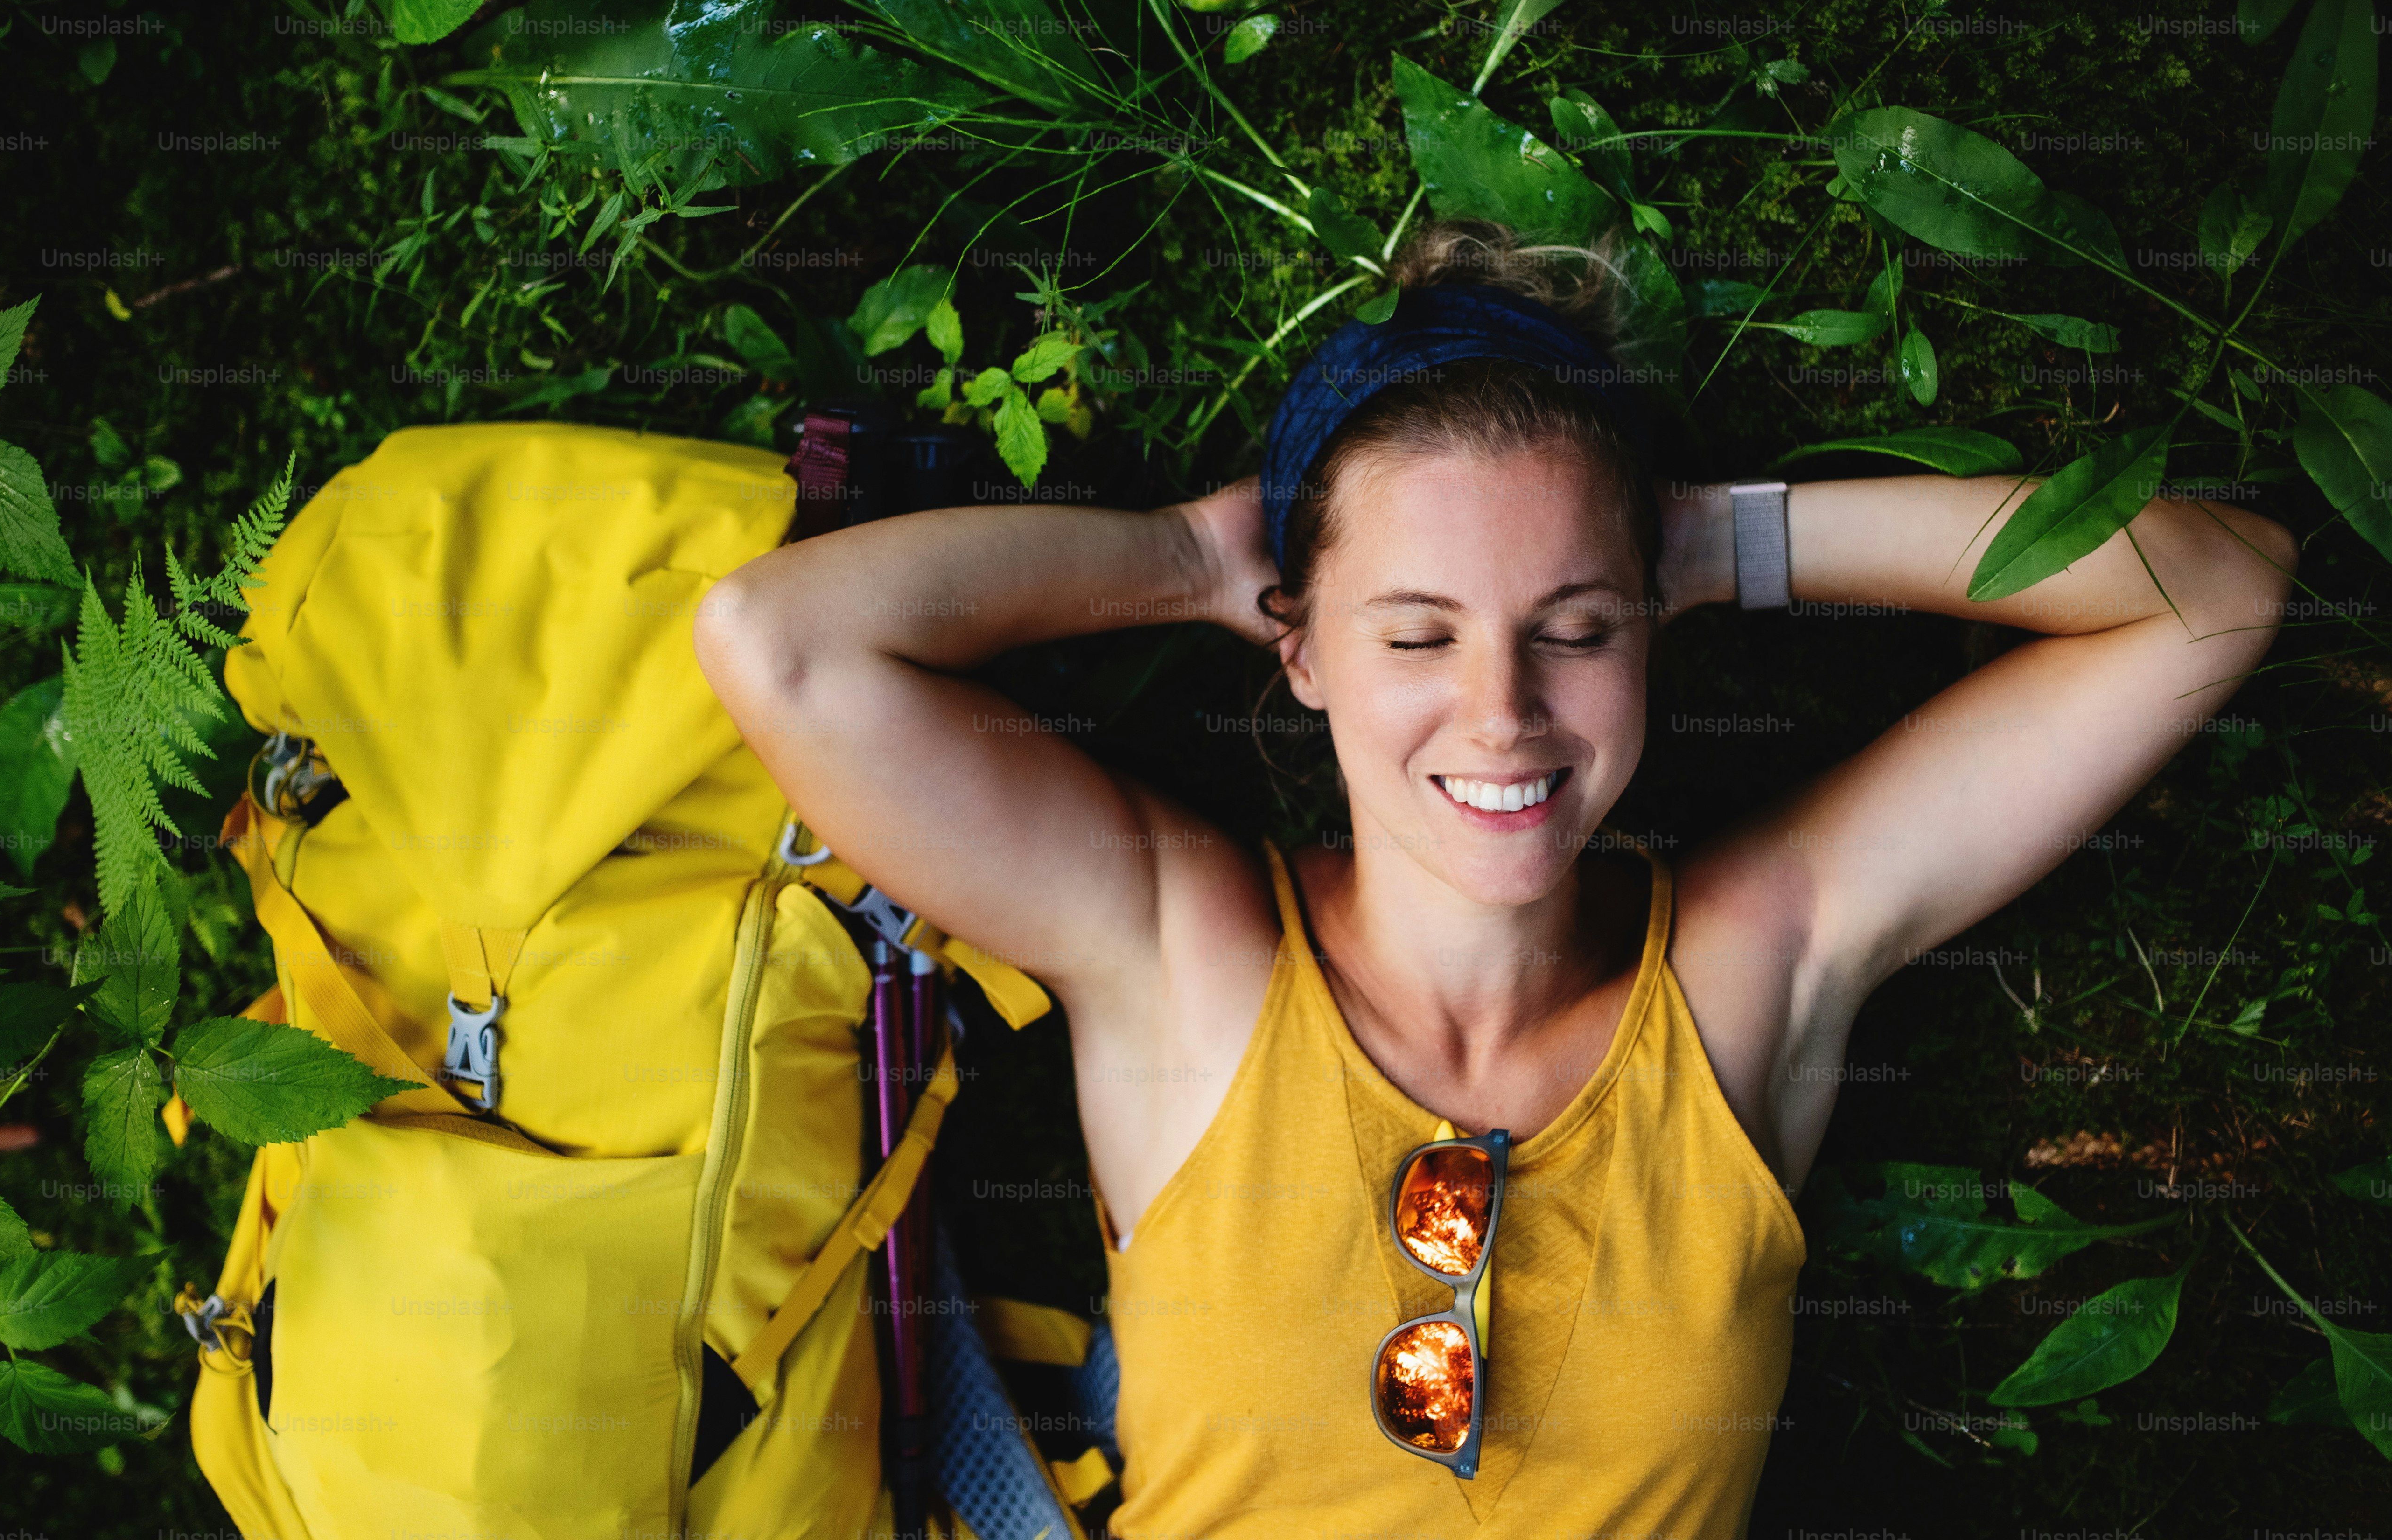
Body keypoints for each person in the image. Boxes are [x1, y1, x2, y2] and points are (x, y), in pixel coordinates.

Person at [693, 222, 2296, 1538]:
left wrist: (1721, 543)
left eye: (1575, 628)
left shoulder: (1755, 962)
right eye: (1414, 634)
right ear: (1303, 649)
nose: (1502, 712)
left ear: (1651, 631)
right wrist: (1189, 560)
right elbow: (782, 642)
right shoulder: (1180, 952)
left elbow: (2214, 593)